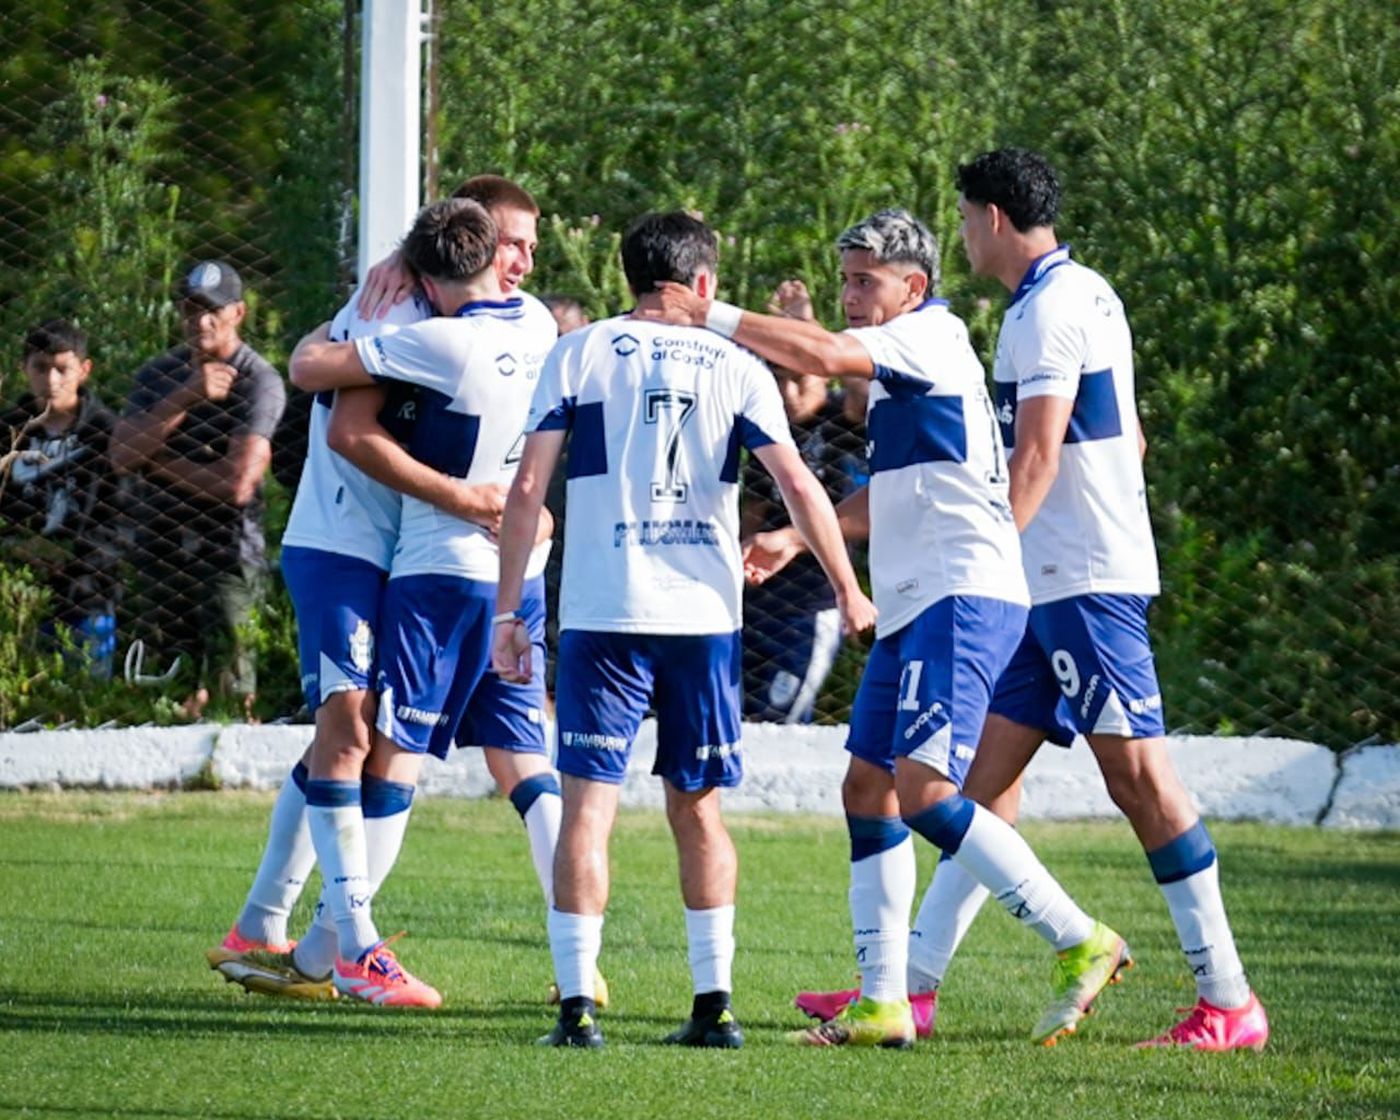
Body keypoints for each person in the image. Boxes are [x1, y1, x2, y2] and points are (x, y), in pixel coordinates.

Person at [651, 207, 1129, 1049]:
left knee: (927, 794)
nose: (851, 296)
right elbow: (894, 491)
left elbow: (826, 356)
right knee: (866, 790)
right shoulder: (912, 366)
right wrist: (799, 534)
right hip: (919, 601)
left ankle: (1080, 937)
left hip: (961, 596)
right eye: (844, 280)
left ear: (915, 286)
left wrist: (708, 314)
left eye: (865, 281)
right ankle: (884, 1004)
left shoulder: (929, 339)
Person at [889, 147, 1267, 1051]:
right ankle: (910, 990)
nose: (962, 241)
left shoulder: (1044, 311)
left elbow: (1037, 456)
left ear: (991, 219)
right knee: (979, 786)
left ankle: (1228, 1000)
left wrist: (992, 557)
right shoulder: (1086, 292)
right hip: (1056, 578)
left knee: (1139, 779)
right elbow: (1128, 441)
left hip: (1076, 584)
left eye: (965, 220)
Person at [491, 211, 876, 1049]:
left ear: (628, 277)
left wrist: (508, 610)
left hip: (603, 610)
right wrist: (848, 588)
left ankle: (577, 1013)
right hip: (703, 618)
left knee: (588, 809)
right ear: (703, 284)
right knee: (697, 809)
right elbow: (802, 487)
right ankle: (714, 1008)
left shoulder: (581, 351)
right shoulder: (737, 365)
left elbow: (527, 493)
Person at [208, 180, 574, 1009]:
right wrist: (473, 498)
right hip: (346, 546)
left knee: (376, 740)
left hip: (432, 561)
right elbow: (328, 401)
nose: (523, 260)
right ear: (472, 246)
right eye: (513, 242)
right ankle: (343, 949)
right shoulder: (397, 314)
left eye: (528, 245)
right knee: (353, 734)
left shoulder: (507, 319)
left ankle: (277, 931)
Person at [110, 261, 285, 720]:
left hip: (228, 553)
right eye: (190, 309)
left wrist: (157, 460)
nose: (200, 321)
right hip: (158, 545)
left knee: (232, 689)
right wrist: (186, 395)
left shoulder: (259, 380)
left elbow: (237, 484)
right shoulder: (158, 375)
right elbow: (121, 456)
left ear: (239, 313)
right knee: (160, 685)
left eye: (212, 310)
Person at [740, 312, 867, 723]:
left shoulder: (839, 419)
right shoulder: (770, 433)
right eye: (780, 379)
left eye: (801, 378)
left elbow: (864, 389)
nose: (790, 392)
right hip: (758, 598)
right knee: (744, 714)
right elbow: (754, 510)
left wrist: (812, 332)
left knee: (783, 718)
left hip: (812, 602)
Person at [1, 319, 121, 674]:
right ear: (23, 369)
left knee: (84, 706)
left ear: (84, 370)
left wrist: (72, 555)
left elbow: (125, 515)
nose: (51, 381)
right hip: (14, 594)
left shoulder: (109, 434)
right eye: (40, 368)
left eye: (61, 369)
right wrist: (15, 546)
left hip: (87, 596)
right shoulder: (6, 433)